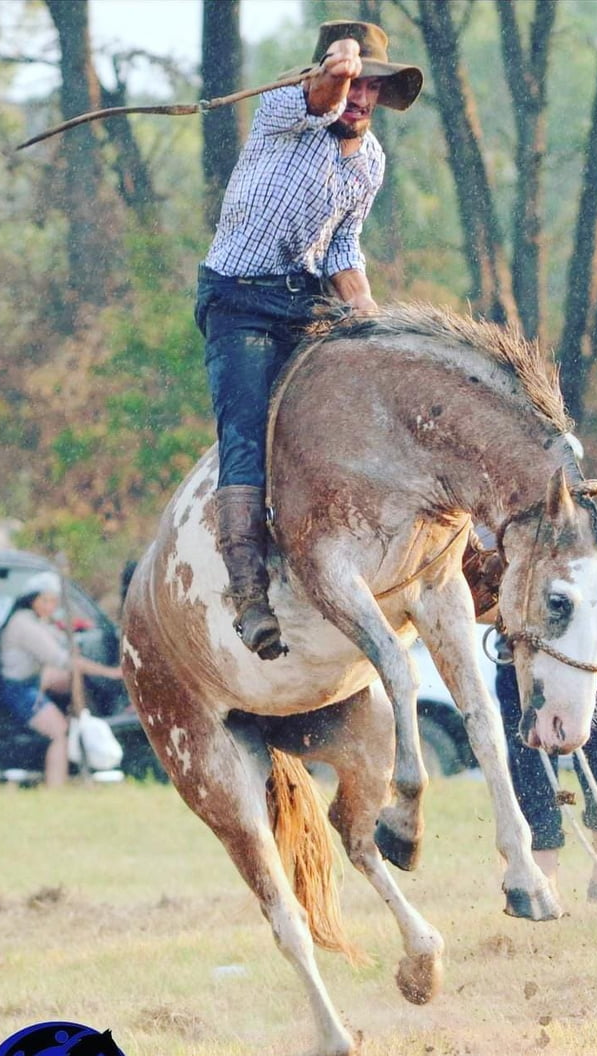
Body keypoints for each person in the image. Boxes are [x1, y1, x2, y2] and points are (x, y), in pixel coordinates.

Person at [194, 20, 423, 661]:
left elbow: (343, 247)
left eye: (372, 87)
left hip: (306, 301)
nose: (360, 97)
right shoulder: (284, 112)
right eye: (355, 83)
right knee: (246, 428)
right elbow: (324, 93)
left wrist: (366, 310)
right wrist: (338, 66)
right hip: (239, 299)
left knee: (359, 403)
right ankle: (247, 588)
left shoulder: (370, 162)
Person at [495, 538, 597, 909]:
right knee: (531, 771)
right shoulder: (508, 529)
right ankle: (545, 881)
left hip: (594, 668)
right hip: (526, 670)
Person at [0, 572, 123, 787]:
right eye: (45, 600)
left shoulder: (36, 620)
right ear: (32, 599)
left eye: (53, 601)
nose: (50, 606)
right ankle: (56, 787)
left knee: (71, 683)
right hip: (21, 690)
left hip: (32, 682)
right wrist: (109, 672)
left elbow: (61, 640)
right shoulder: (24, 624)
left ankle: (80, 717)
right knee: (59, 731)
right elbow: (62, 660)